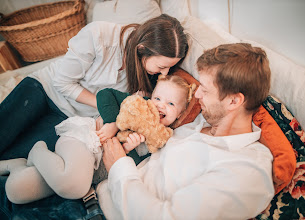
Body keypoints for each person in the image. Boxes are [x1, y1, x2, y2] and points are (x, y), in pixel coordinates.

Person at [0, 14, 188, 218]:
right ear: (142, 49)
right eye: (162, 67)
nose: (165, 72)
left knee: (18, 163)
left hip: (68, 118)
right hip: (44, 91)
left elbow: (134, 115)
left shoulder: (149, 82)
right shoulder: (99, 36)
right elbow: (62, 83)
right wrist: (110, 117)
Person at [100, 43, 275, 219]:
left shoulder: (247, 170)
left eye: (205, 90)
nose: (197, 96)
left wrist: (118, 166)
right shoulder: (199, 120)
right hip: (97, 191)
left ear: (233, 102)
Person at [0, 74, 196, 205]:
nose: (161, 106)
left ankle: (16, 166)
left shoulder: (159, 140)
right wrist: (113, 122)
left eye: (171, 104)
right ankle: (37, 149)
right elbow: (105, 94)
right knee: (75, 186)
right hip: (86, 139)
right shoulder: (137, 104)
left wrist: (128, 148)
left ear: (179, 115)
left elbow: (127, 165)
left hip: (92, 170)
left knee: (16, 191)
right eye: (158, 98)